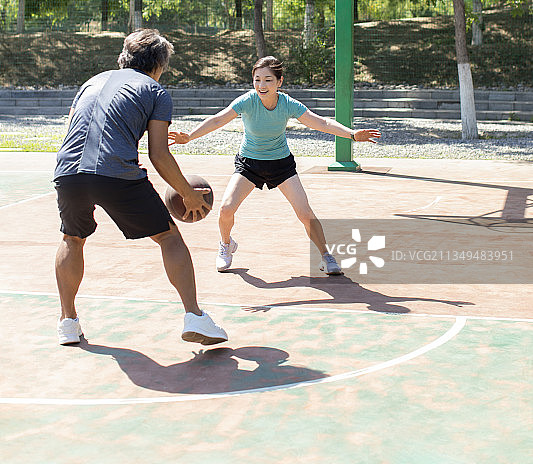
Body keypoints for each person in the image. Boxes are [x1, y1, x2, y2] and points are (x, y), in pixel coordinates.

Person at [53, 29, 227, 347]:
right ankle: (194, 316)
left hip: (67, 172)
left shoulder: (91, 82)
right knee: (168, 237)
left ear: (124, 57)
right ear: (159, 64)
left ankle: (67, 322)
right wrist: (188, 194)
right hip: (115, 172)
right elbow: (158, 153)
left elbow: (70, 130)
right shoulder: (155, 91)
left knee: (72, 239)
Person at [170, 56, 381, 275]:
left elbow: (321, 122)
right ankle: (226, 245)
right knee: (225, 209)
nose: (261, 85)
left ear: (279, 82)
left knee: (305, 213)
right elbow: (217, 120)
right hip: (249, 164)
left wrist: (352, 135)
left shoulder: (287, 104)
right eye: (257, 79)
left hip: (281, 164)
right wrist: (190, 137)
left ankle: (326, 256)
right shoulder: (247, 101)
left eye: (268, 80)